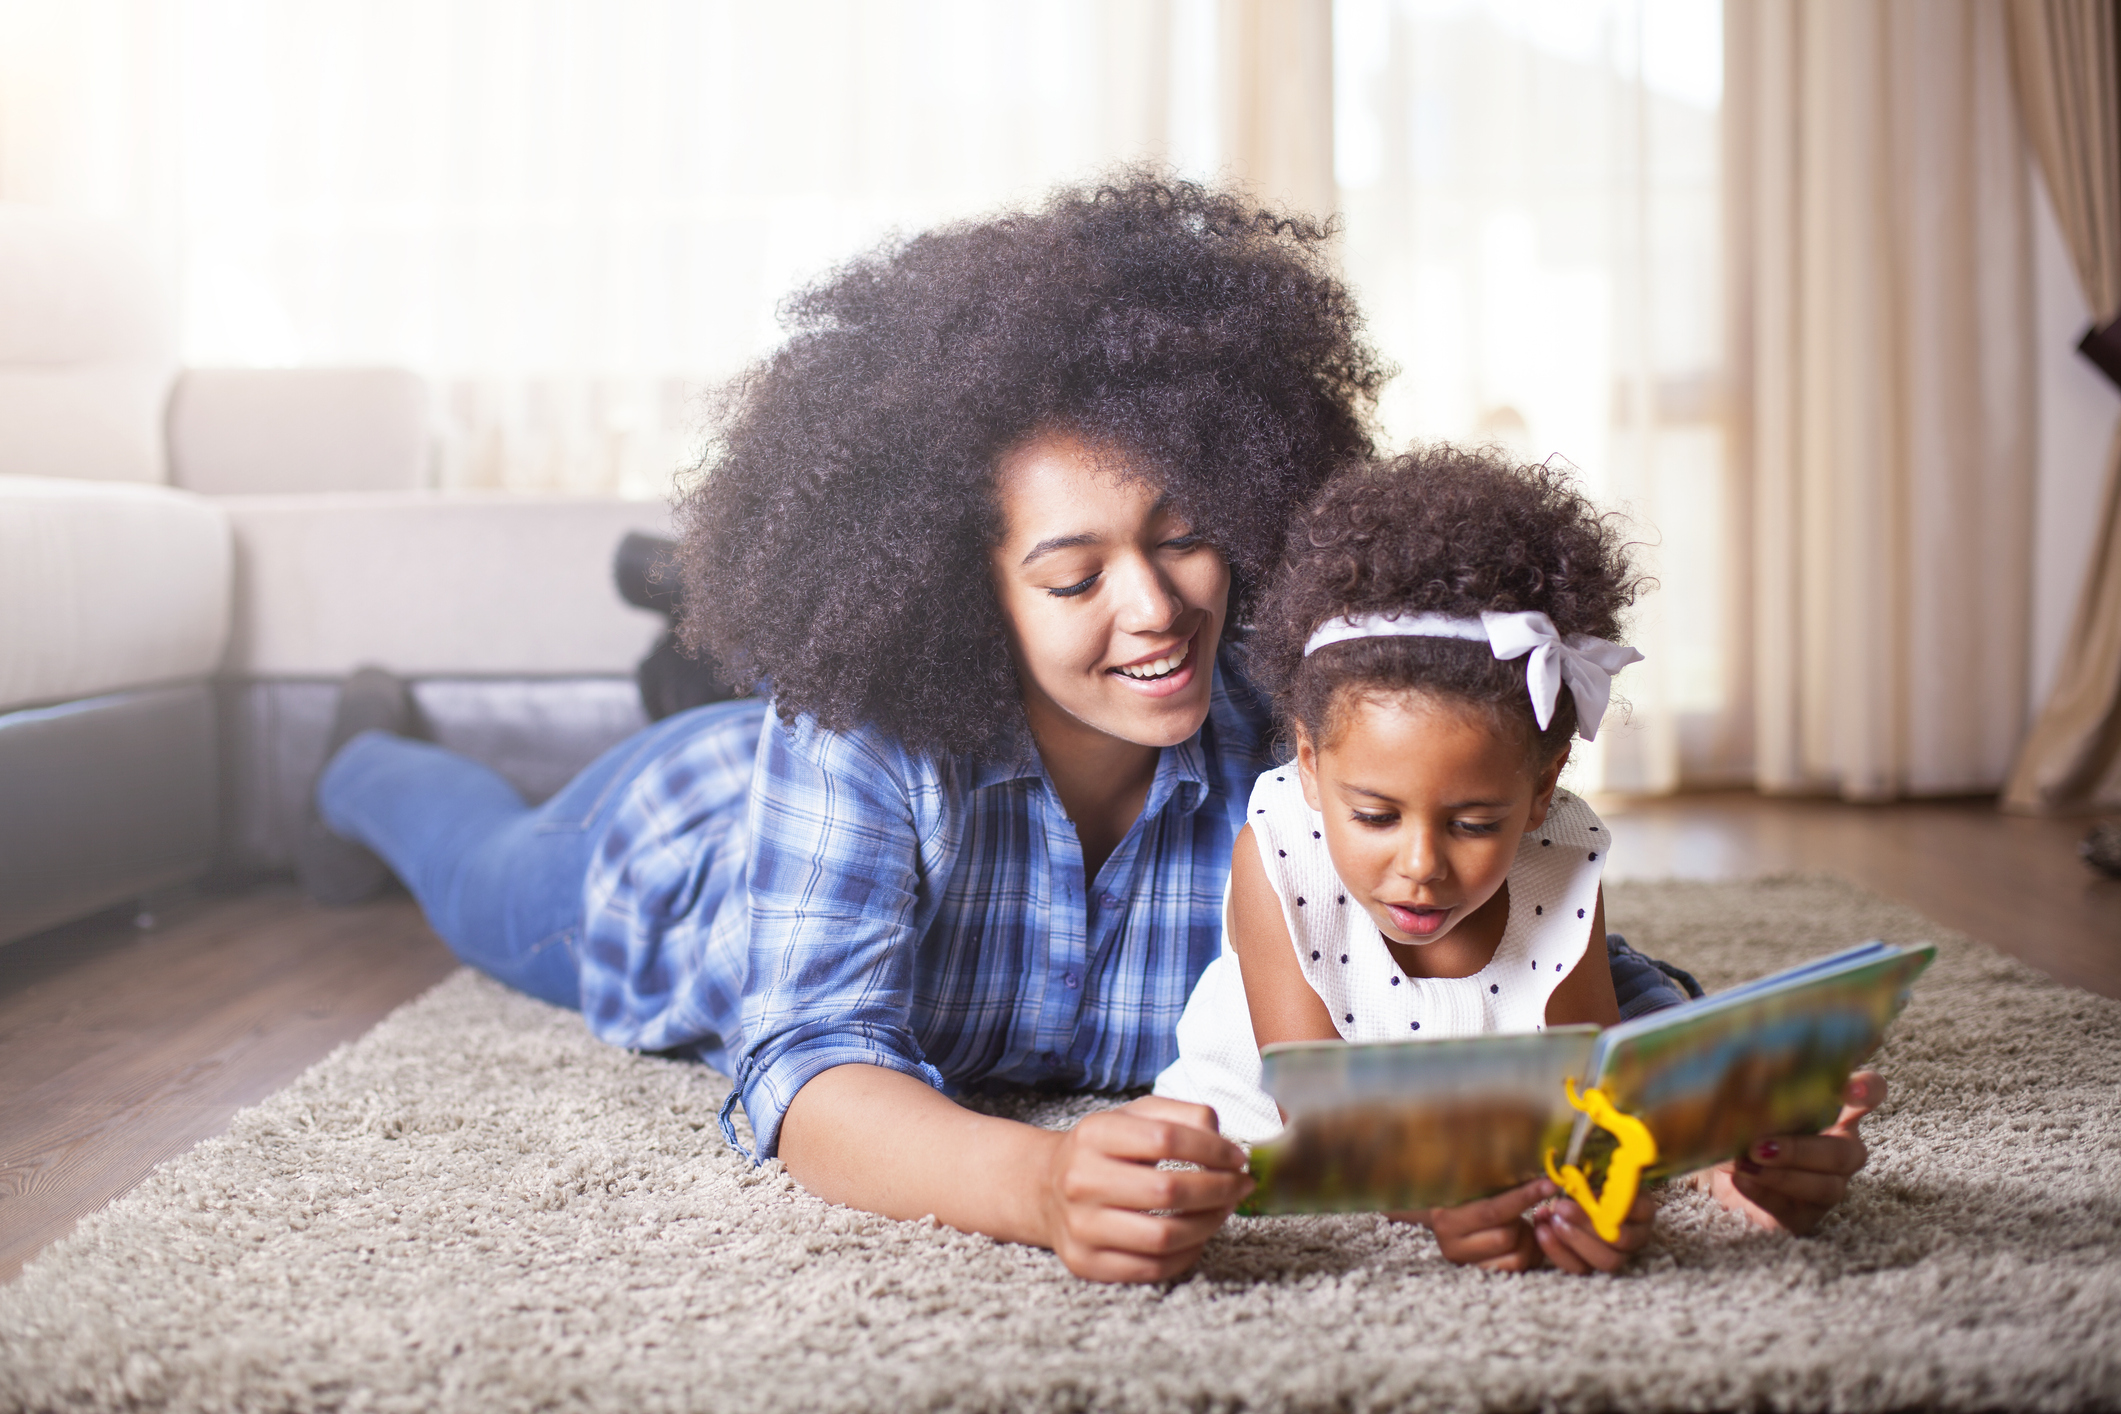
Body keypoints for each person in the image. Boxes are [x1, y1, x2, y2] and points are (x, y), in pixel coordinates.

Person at [300, 175, 1389, 1283]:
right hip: (681, 838)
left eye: (1185, 536)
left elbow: (1477, 971)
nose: (1156, 608)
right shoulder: (867, 728)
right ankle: (359, 750)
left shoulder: (1301, 737)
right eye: (1073, 579)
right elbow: (808, 1060)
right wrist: (1042, 1183)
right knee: (468, 857)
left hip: (807, 754)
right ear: (966, 596)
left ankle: (677, 632)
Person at [1152, 447, 1884, 1274]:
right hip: (1275, 1135)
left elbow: (1590, 1090)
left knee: (1675, 1059)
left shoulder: (1559, 857)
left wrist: (1601, 1195)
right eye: (1374, 815)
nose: (1420, 864)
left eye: (1472, 823)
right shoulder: (1277, 848)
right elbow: (1319, 1125)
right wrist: (1447, 1200)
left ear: (1540, 794)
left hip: (1499, 1131)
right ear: (1311, 766)